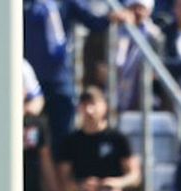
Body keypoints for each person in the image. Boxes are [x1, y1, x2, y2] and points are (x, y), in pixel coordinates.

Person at [23, 0, 116, 151]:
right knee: (31, 133)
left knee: (62, 133)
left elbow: (93, 21)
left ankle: (61, 164)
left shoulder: (66, 2)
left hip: (59, 79)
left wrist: (111, 17)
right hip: (30, 80)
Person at [56, 88, 139, 191]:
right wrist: (82, 186)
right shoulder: (71, 142)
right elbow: (64, 183)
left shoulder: (118, 139)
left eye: (93, 104)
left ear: (104, 106)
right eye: (84, 105)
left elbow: (135, 176)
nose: (89, 110)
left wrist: (116, 183)